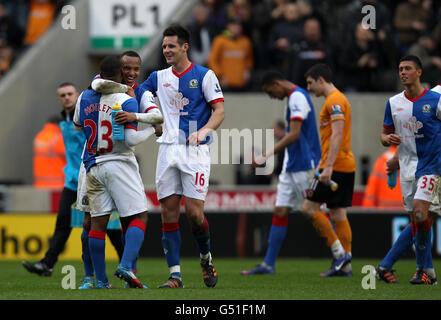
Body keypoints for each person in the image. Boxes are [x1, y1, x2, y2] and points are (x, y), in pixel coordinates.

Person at [139, 24, 225, 289]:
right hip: (167, 150)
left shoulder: (204, 75)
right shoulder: (157, 77)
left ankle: (205, 258)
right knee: (168, 212)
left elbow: (219, 110)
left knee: (195, 215)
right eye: (164, 46)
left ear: (184, 47)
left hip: (195, 151)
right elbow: (139, 92)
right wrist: (153, 117)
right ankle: (175, 275)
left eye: (171, 46)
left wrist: (204, 131)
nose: (166, 50)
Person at [76, 51, 163, 289]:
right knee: (95, 222)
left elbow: (78, 124)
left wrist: (134, 115)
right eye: (127, 69)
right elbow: (134, 136)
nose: (132, 73)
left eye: (136, 69)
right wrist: (152, 129)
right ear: (118, 70)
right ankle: (95, 276)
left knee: (105, 222)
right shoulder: (119, 96)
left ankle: (119, 277)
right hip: (109, 161)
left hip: (94, 162)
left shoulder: (94, 92)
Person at [24, 83, 122, 278]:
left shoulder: (87, 115)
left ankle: (126, 264)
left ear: (77, 95)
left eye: (70, 94)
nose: (67, 97)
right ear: (59, 99)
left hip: (93, 178)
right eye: (63, 95)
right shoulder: (63, 119)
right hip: (72, 182)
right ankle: (47, 264)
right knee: (63, 224)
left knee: (109, 227)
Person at [240, 71, 328, 275]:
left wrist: (265, 155)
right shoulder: (292, 98)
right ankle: (268, 264)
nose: (272, 97)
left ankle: (341, 256)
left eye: (270, 92)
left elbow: (295, 134)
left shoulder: (297, 97)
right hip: (291, 167)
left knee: (315, 211)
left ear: (277, 83)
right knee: (280, 211)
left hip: (305, 165)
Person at [376, 55, 441, 285]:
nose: (403, 72)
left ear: (419, 72)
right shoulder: (393, 103)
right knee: (418, 220)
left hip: (432, 167)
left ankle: (391, 265)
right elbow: (385, 135)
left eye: (407, 68)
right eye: (400, 68)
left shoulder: (436, 99)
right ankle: (423, 272)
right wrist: (389, 146)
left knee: (420, 214)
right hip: (406, 168)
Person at [302, 63, 355, 277]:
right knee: (338, 213)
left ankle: (340, 255)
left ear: (321, 80)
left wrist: (328, 166)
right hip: (344, 165)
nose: (308, 88)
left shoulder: (334, 101)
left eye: (310, 83)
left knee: (308, 208)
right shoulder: (337, 99)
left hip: (336, 166)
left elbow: (337, 133)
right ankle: (346, 266)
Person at [207, 17, 254, 91]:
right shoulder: (219, 40)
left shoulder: (245, 41)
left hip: (242, 83)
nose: (237, 27)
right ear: (228, 26)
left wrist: (247, 71)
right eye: (234, 25)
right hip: (225, 84)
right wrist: (220, 76)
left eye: (239, 25)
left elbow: (248, 59)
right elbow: (212, 60)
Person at [33, 114, 65, 189]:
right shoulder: (58, 139)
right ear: (58, 124)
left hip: (40, 185)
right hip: (58, 185)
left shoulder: (39, 137)